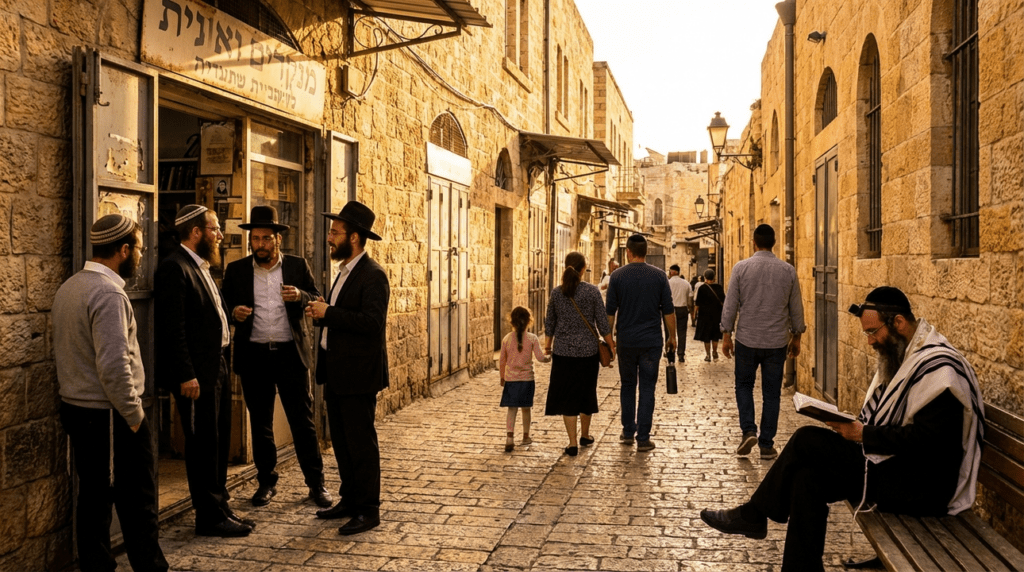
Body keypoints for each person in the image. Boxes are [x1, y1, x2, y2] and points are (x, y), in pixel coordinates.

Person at [700, 286, 984, 572]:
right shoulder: (910, 357)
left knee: (806, 439)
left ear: (898, 322)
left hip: (924, 487)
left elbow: (931, 443)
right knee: (807, 478)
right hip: (899, 470)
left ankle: (754, 514)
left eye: (873, 332)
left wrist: (863, 434)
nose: (871, 342)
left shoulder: (939, 370)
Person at [53, 215, 168, 572]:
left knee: (94, 496)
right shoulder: (107, 292)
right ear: (123, 250)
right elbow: (114, 365)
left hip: (79, 408)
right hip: (108, 413)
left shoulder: (71, 285)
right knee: (137, 498)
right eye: (139, 248)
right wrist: (135, 417)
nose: (142, 254)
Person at [221, 206, 332, 508]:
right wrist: (233, 313)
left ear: (278, 239)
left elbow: (317, 298)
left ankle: (316, 484)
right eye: (256, 239)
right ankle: (266, 483)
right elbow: (223, 304)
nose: (261, 244)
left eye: (266, 238)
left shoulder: (297, 266)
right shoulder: (237, 271)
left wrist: (300, 295)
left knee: (303, 422)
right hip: (254, 355)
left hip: (290, 354)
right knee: (261, 423)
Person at [155, 205, 254, 537]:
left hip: (217, 365)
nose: (221, 235)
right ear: (196, 232)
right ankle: (208, 517)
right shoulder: (175, 268)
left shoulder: (201, 267)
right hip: (195, 374)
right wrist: (186, 373)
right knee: (202, 445)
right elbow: (173, 328)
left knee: (218, 438)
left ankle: (219, 503)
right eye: (214, 229)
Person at [305, 201, 389, 535]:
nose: (329, 238)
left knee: (361, 445)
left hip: (358, 375)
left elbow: (371, 323)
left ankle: (368, 509)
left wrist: (328, 314)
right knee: (341, 443)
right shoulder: (344, 272)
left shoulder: (373, 275)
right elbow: (338, 316)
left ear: (353, 238)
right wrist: (321, 313)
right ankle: (350, 499)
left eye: (334, 232)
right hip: (337, 372)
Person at [720, 224, 806, 460]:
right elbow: (795, 307)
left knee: (744, 386)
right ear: (774, 243)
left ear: (753, 243)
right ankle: (766, 444)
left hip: (747, 339)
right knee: (772, 393)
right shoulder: (787, 270)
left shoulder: (740, 268)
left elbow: (731, 305)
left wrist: (726, 334)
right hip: (776, 342)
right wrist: (796, 336)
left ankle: (748, 430)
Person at [605, 235, 675, 452]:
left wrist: (610, 341)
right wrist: (673, 337)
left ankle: (628, 432)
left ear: (628, 251)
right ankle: (643, 438)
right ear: (646, 251)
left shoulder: (617, 276)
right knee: (647, 388)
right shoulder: (659, 276)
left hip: (626, 341)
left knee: (627, 386)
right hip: (651, 342)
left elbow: (610, 314)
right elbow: (669, 310)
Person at [544, 252, 615, 457]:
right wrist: (611, 347)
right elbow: (603, 323)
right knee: (586, 392)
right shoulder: (592, 292)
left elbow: (550, 323)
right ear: (583, 269)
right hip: (587, 353)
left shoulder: (557, 293)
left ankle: (572, 443)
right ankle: (585, 435)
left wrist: (548, 346)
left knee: (567, 396)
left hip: (563, 353)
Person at [499, 306, 549, 452]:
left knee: (512, 408)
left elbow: (502, 360)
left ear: (512, 322)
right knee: (526, 409)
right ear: (529, 321)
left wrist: (502, 376)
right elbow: (540, 358)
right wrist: (548, 357)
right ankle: (526, 436)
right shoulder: (532, 338)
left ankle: (509, 437)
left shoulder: (507, 339)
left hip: (511, 379)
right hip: (527, 379)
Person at [693, 269, 725, 361]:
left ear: (705, 277)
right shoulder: (719, 287)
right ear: (714, 277)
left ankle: (708, 355)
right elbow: (724, 301)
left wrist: (695, 315)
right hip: (716, 315)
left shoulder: (702, 288)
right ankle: (714, 352)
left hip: (704, 316)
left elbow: (697, 304)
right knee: (715, 335)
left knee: (706, 336)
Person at [667, 264, 693, 361]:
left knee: (669, 331)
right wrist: (690, 310)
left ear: (671, 272)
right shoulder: (686, 283)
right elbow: (690, 300)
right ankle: (681, 354)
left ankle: (670, 352)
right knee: (682, 332)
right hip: (682, 309)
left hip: (670, 310)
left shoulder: (667, 283)